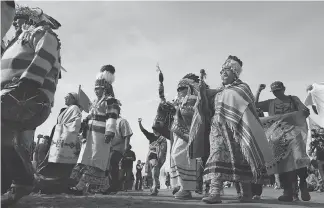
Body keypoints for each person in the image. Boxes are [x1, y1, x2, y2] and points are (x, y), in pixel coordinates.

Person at [190, 55, 274, 204]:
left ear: (235, 74)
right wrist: (203, 91)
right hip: (217, 130)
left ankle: (246, 193)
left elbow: (249, 110)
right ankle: (215, 192)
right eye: (222, 71)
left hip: (237, 130)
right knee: (216, 156)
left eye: (227, 71)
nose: (223, 74)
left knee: (240, 159)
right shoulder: (218, 91)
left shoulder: (242, 89)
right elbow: (206, 107)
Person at [1, 5, 62, 206]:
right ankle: (11, 185)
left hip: (26, 96)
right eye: (15, 19)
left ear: (30, 19)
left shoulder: (39, 33)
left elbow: (48, 47)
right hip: (13, 96)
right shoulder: (15, 42)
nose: (15, 23)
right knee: (3, 142)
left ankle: (23, 179)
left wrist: (28, 83)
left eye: (19, 19)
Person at [256, 81, 311, 202]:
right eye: (274, 91)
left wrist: (302, 113)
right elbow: (254, 106)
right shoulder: (270, 102)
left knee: (298, 159)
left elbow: (305, 111)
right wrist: (258, 91)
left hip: (294, 134)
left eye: (278, 90)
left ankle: (303, 183)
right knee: (282, 164)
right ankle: (288, 192)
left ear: (284, 89)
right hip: (278, 137)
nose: (276, 93)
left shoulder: (293, 99)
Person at [69, 65, 118, 195]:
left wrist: (110, 131)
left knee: (95, 160)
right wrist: (84, 124)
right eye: (95, 88)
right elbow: (90, 115)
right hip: (90, 135)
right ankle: (105, 186)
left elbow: (112, 116)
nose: (96, 91)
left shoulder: (110, 101)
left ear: (105, 88)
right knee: (88, 159)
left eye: (99, 88)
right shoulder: (95, 102)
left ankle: (80, 187)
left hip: (101, 136)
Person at [36, 92, 82, 194]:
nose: (65, 98)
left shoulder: (75, 108)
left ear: (74, 99)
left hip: (66, 138)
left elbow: (76, 123)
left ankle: (58, 186)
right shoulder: (65, 110)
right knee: (53, 162)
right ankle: (48, 185)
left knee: (63, 164)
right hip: (58, 138)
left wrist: (65, 129)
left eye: (68, 97)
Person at [104, 110, 133, 194]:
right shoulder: (108, 122)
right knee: (109, 166)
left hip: (119, 147)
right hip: (109, 147)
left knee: (112, 163)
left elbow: (127, 135)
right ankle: (110, 186)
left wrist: (125, 149)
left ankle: (114, 187)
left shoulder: (122, 121)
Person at [138, 118, 167, 196]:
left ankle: (154, 189)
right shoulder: (151, 136)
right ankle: (153, 189)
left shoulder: (162, 139)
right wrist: (139, 122)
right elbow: (143, 130)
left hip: (156, 157)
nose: (154, 130)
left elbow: (163, 150)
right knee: (150, 175)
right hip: (150, 157)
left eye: (155, 128)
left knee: (154, 174)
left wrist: (159, 159)